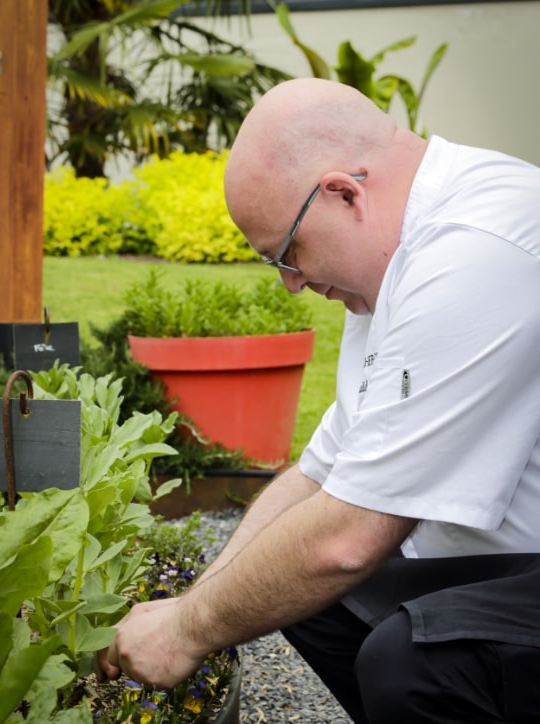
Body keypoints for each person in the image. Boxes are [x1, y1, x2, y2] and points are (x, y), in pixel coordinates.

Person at [95, 78, 540, 723]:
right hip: (513, 561)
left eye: (288, 254)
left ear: (343, 194)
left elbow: (348, 539)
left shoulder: (476, 251)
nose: (292, 285)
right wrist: (201, 598)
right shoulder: (392, 262)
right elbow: (319, 474)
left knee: (409, 663)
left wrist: (186, 632)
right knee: (304, 598)